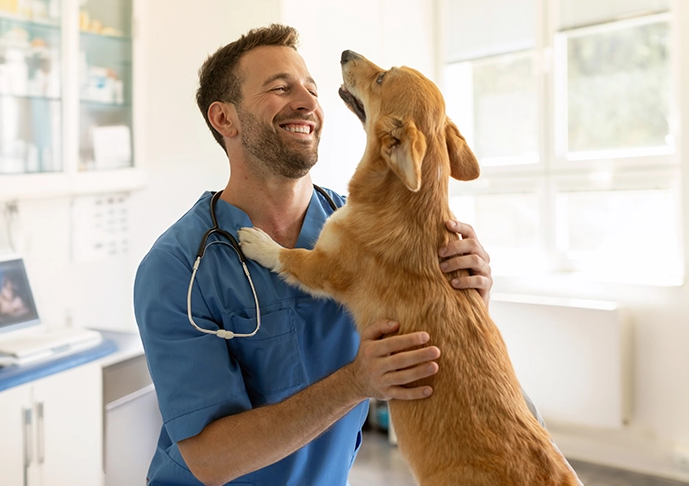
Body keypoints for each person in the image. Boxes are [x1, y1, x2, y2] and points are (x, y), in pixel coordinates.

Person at [134, 24, 495, 486]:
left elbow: (431, 362)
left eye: (312, 89)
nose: (307, 103)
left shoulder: (374, 236)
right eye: (280, 88)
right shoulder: (177, 268)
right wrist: (356, 382)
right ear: (225, 120)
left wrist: (468, 299)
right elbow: (210, 459)